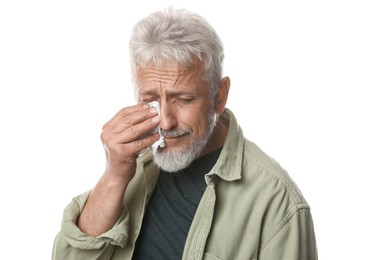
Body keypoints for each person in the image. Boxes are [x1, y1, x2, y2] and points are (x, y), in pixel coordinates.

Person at [52, 7, 317, 260]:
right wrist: (114, 175)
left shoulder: (277, 201)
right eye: (151, 99)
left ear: (219, 96)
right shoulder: (133, 165)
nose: (165, 122)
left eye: (183, 99)